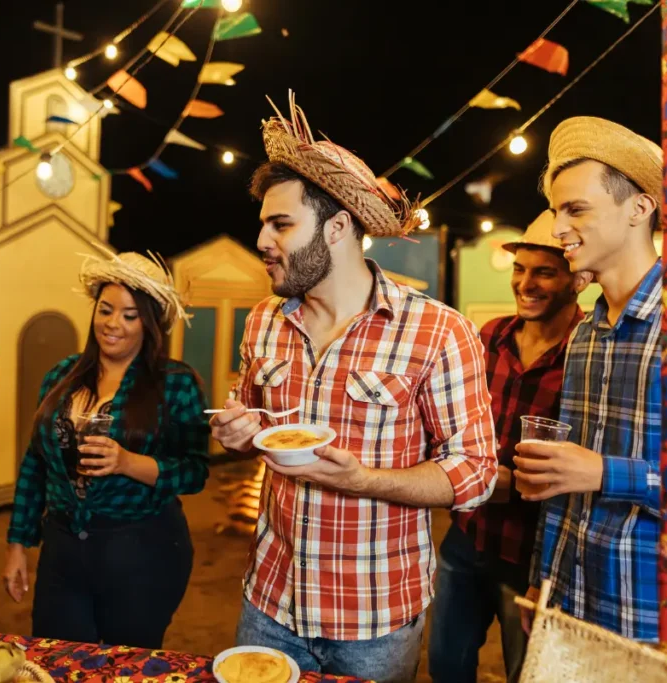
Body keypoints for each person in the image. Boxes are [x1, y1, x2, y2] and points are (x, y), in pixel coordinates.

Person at [210, 92, 498, 683]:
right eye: (263, 222)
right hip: (269, 601)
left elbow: (475, 472)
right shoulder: (265, 320)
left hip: (375, 619)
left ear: (339, 226)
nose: (263, 240)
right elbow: (258, 433)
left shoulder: (439, 332)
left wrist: (362, 480)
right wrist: (238, 434)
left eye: (281, 224)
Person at [516, 116, 667, 664]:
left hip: (652, 619)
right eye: (556, 210)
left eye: (576, 209)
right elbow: (564, 488)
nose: (557, 227)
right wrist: (542, 585)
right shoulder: (586, 331)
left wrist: (605, 472)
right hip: (567, 608)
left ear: (640, 208)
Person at [3, 247, 210, 649]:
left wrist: (128, 462)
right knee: (55, 661)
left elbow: (195, 472)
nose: (113, 324)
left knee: (125, 668)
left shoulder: (176, 383)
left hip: (143, 553)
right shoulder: (61, 376)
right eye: (106, 309)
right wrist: (17, 545)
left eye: (130, 316)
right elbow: (34, 464)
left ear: (150, 325)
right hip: (62, 551)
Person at [428, 210, 591, 683]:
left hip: (535, 553)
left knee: (529, 672)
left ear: (576, 280)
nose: (526, 283)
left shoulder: (587, 352)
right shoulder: (488, 337)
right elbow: (453, 426)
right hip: (467, 536)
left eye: (544, 272)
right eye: (520, 270)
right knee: (446, 666)